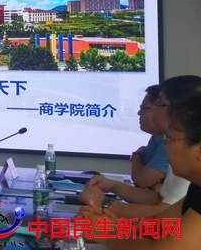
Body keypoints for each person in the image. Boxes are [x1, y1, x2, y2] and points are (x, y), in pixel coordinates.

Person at [80, 75, 201, 250]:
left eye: (170, 139)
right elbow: (159, 225)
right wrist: (113, 225)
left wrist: (108, 232)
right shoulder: (197, 187)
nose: (165, 146)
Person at [79, 83, 189, 217]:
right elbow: (157, 199)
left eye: (160, 104)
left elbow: (164, 215)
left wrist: (101, 202)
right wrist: (112, 186)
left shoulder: (185, 154)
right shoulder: (169, 141)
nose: (139, 113)